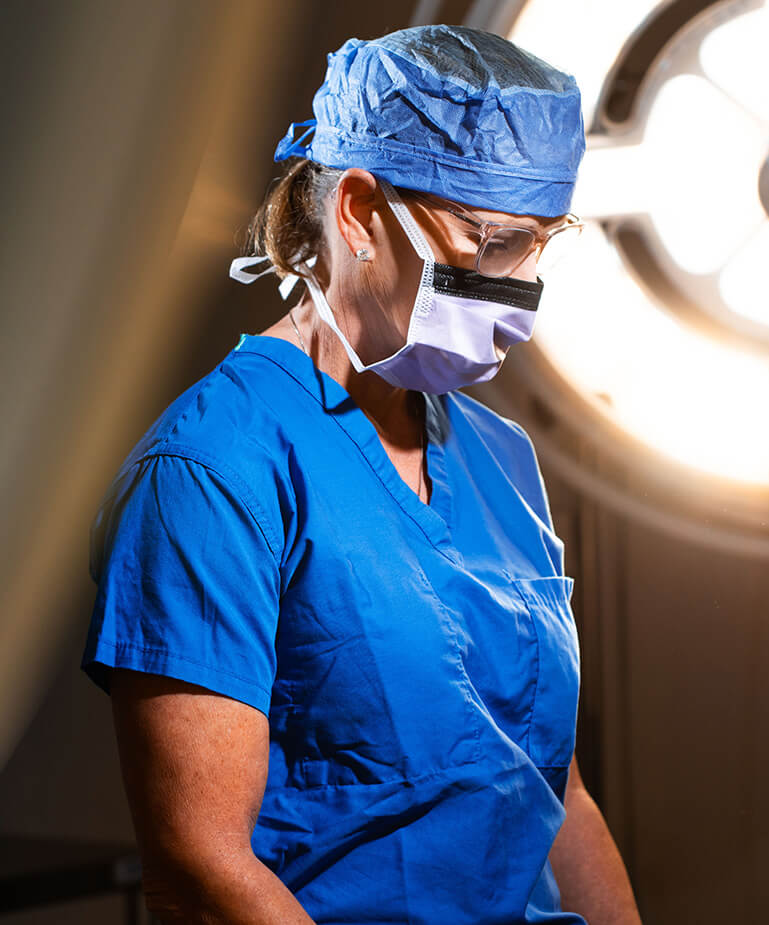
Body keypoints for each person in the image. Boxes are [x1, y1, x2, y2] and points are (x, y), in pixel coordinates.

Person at [81, 24, 642, 925]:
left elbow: (554, 790)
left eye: (539, 245)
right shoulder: (213, 469)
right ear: (357, 211)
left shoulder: (501, 460)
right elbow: (200, 866)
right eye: (490, 243)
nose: (517, 289)